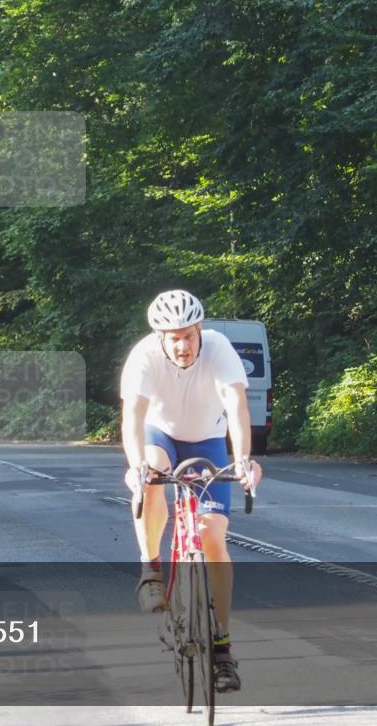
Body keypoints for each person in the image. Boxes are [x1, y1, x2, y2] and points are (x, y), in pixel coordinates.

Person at [120, 290, 263, 693]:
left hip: (207, 440)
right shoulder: (143, 356)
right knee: (152, 476)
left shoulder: (219, 348)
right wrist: (136, 465)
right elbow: (133, 416)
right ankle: (150, 568)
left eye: (188, 335)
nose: (182, 345)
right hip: (160, 434)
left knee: (211, 537)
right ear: (160, 337)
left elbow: (237, 406)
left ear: (200, 330)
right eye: (173, 337)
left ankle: (221, 646)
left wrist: (244, 459)